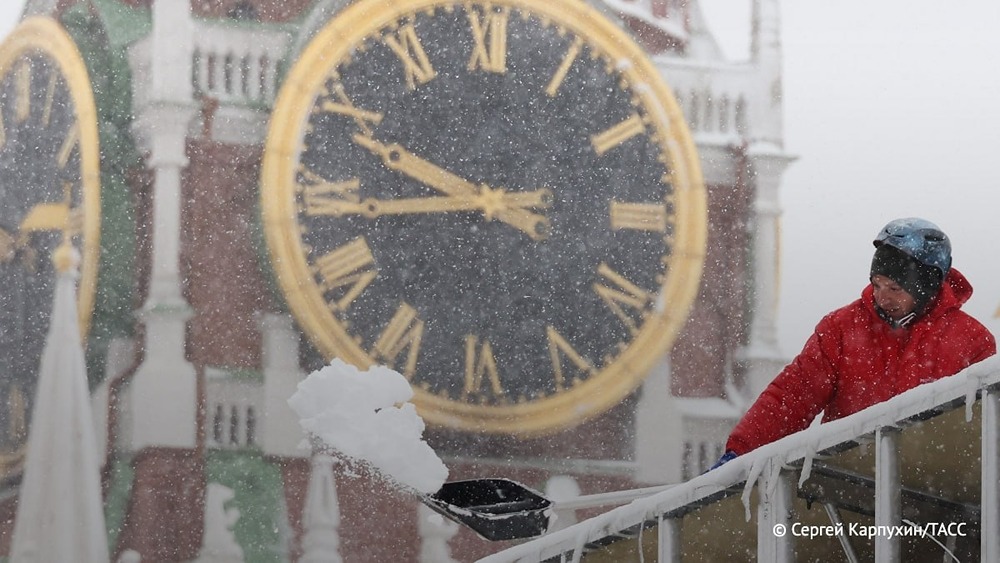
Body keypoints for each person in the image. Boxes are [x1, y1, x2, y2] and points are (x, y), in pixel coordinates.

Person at [713, 218, 996, 469]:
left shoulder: (973, 342)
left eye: (896, 288)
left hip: (937, 494)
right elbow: (792, 395)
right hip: (845, 488)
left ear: (927, 286)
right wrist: (740, 451)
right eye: (877, 284)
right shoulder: (841, 329)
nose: (883, 297)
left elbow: (984, 427)